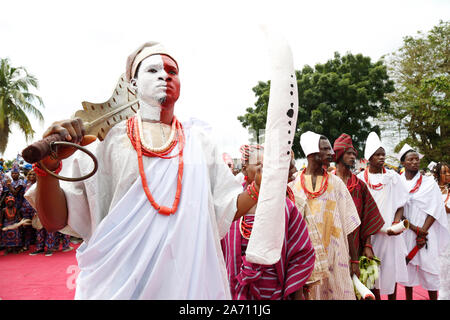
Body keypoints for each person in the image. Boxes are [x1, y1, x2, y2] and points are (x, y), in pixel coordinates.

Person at [25, 42, 265, 299]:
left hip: (182, 285)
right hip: (115, 284)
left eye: (172, 71)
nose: (165, 75)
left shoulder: (199, 143)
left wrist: (261, 185)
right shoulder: (103, 140)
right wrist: (47, 166)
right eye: (153, 70)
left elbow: (224, 208)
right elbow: (54, 221)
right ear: (133, 84)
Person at [221, 145, 315, 300]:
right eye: (258, 164)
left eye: (267, 165)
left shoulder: (286, 207)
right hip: (234, 291)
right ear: (245, 168)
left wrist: (296, 291)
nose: (263, 169)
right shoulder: (230, 207)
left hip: (274, 292)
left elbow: (301, 253)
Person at [290, 131, 361, 300]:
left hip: (336, 256)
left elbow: (349, 224)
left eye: (330, 149)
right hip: (306, 259)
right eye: (325, 149)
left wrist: (355, 260)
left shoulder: (336, 184)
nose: (331, 153)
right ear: (312, 153)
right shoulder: (293, 186)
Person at [356, 132, 409, 300]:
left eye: (383, 154)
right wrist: (366, 238)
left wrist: (395, 222)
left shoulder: (393, 177)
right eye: (377, 155)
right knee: (372, 275)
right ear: (369, 158)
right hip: (369, 237)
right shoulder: (360, 179)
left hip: (390, 234)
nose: (381, 157)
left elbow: (401, 203)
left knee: (390, 273)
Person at [396, 145, 450, 300]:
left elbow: (436, 208)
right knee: (407, 272)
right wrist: (414, 229)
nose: (414, 162)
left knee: (430, 270)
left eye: (416, 159)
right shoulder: (398, 182)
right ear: (403, 163)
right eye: (410, 159)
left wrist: (423, 231)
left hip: (427, 233)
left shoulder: (429, 183)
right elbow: (397, 209)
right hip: (406, 231)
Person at [332, 133, 384, 260]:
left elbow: (368, 218)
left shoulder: (359, 185)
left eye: (354, 154)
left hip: (356, 244)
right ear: (339, 155)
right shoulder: (327, 184)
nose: (353, 156)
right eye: (348, 153)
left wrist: (367, 245)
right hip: (332, 242)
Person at [433, 162, 450, 300]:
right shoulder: (431, 190)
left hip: (448, 229)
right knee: (437, 261)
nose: (448, 175)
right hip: (435, 230)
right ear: (438, 174)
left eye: (449, 172)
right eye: (445, 172)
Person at [19, 170, 37, 252]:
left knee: (36, 226)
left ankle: (38, 245)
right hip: (25, 209)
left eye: (34, 174)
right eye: (30, 174)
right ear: (28, 176)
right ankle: (26, 245)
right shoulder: (25, 185)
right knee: (27, 228)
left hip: (35, 209)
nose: (32, 176)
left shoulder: (39, 185)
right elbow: (21, 197)